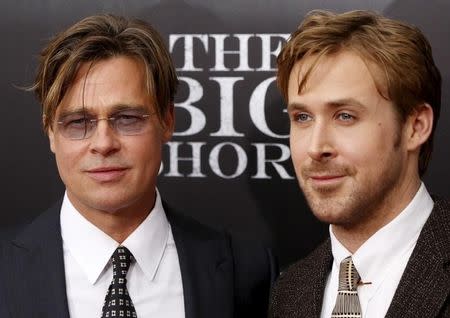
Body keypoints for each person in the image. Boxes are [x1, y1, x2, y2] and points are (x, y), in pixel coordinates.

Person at [0, 14, 277, 318]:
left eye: (127, 118)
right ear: (51, 132)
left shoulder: (249, 272)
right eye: (79, 122)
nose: (104, 143)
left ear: (167, 120)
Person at [269, 10, 449, 318]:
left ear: (415, 126)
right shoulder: (286, 293)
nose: (315, 147)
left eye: (345, 116)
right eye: (302, 118)